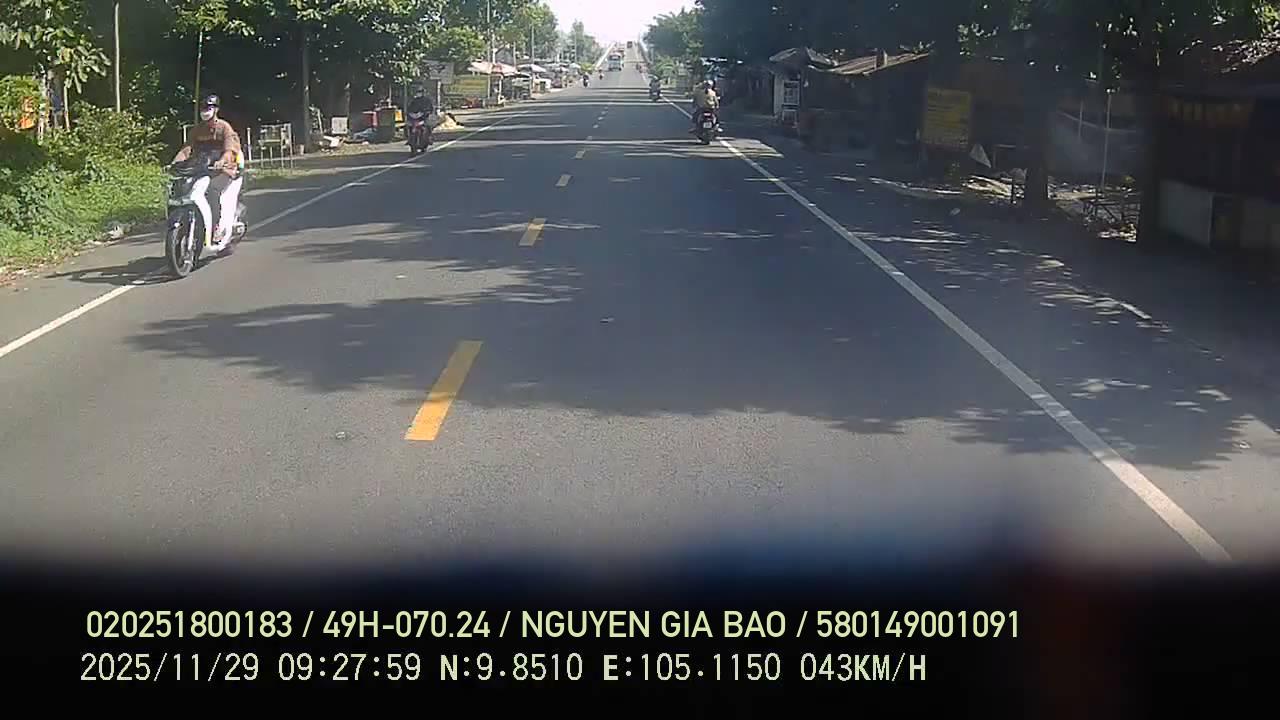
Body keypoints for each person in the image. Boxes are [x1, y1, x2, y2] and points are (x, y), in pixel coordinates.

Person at [171, 94, 243, 252]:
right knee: (188, 189)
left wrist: (222, 161)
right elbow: (186, 149)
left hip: (224, 169)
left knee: (212, 192)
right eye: (203, 108)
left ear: (216, 110)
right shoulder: (197, 130)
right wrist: (175, 162)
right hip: (203, 169)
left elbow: (230, 150)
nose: (205, 111)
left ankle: (217, 228)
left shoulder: (224, 127)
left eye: (209, 108)